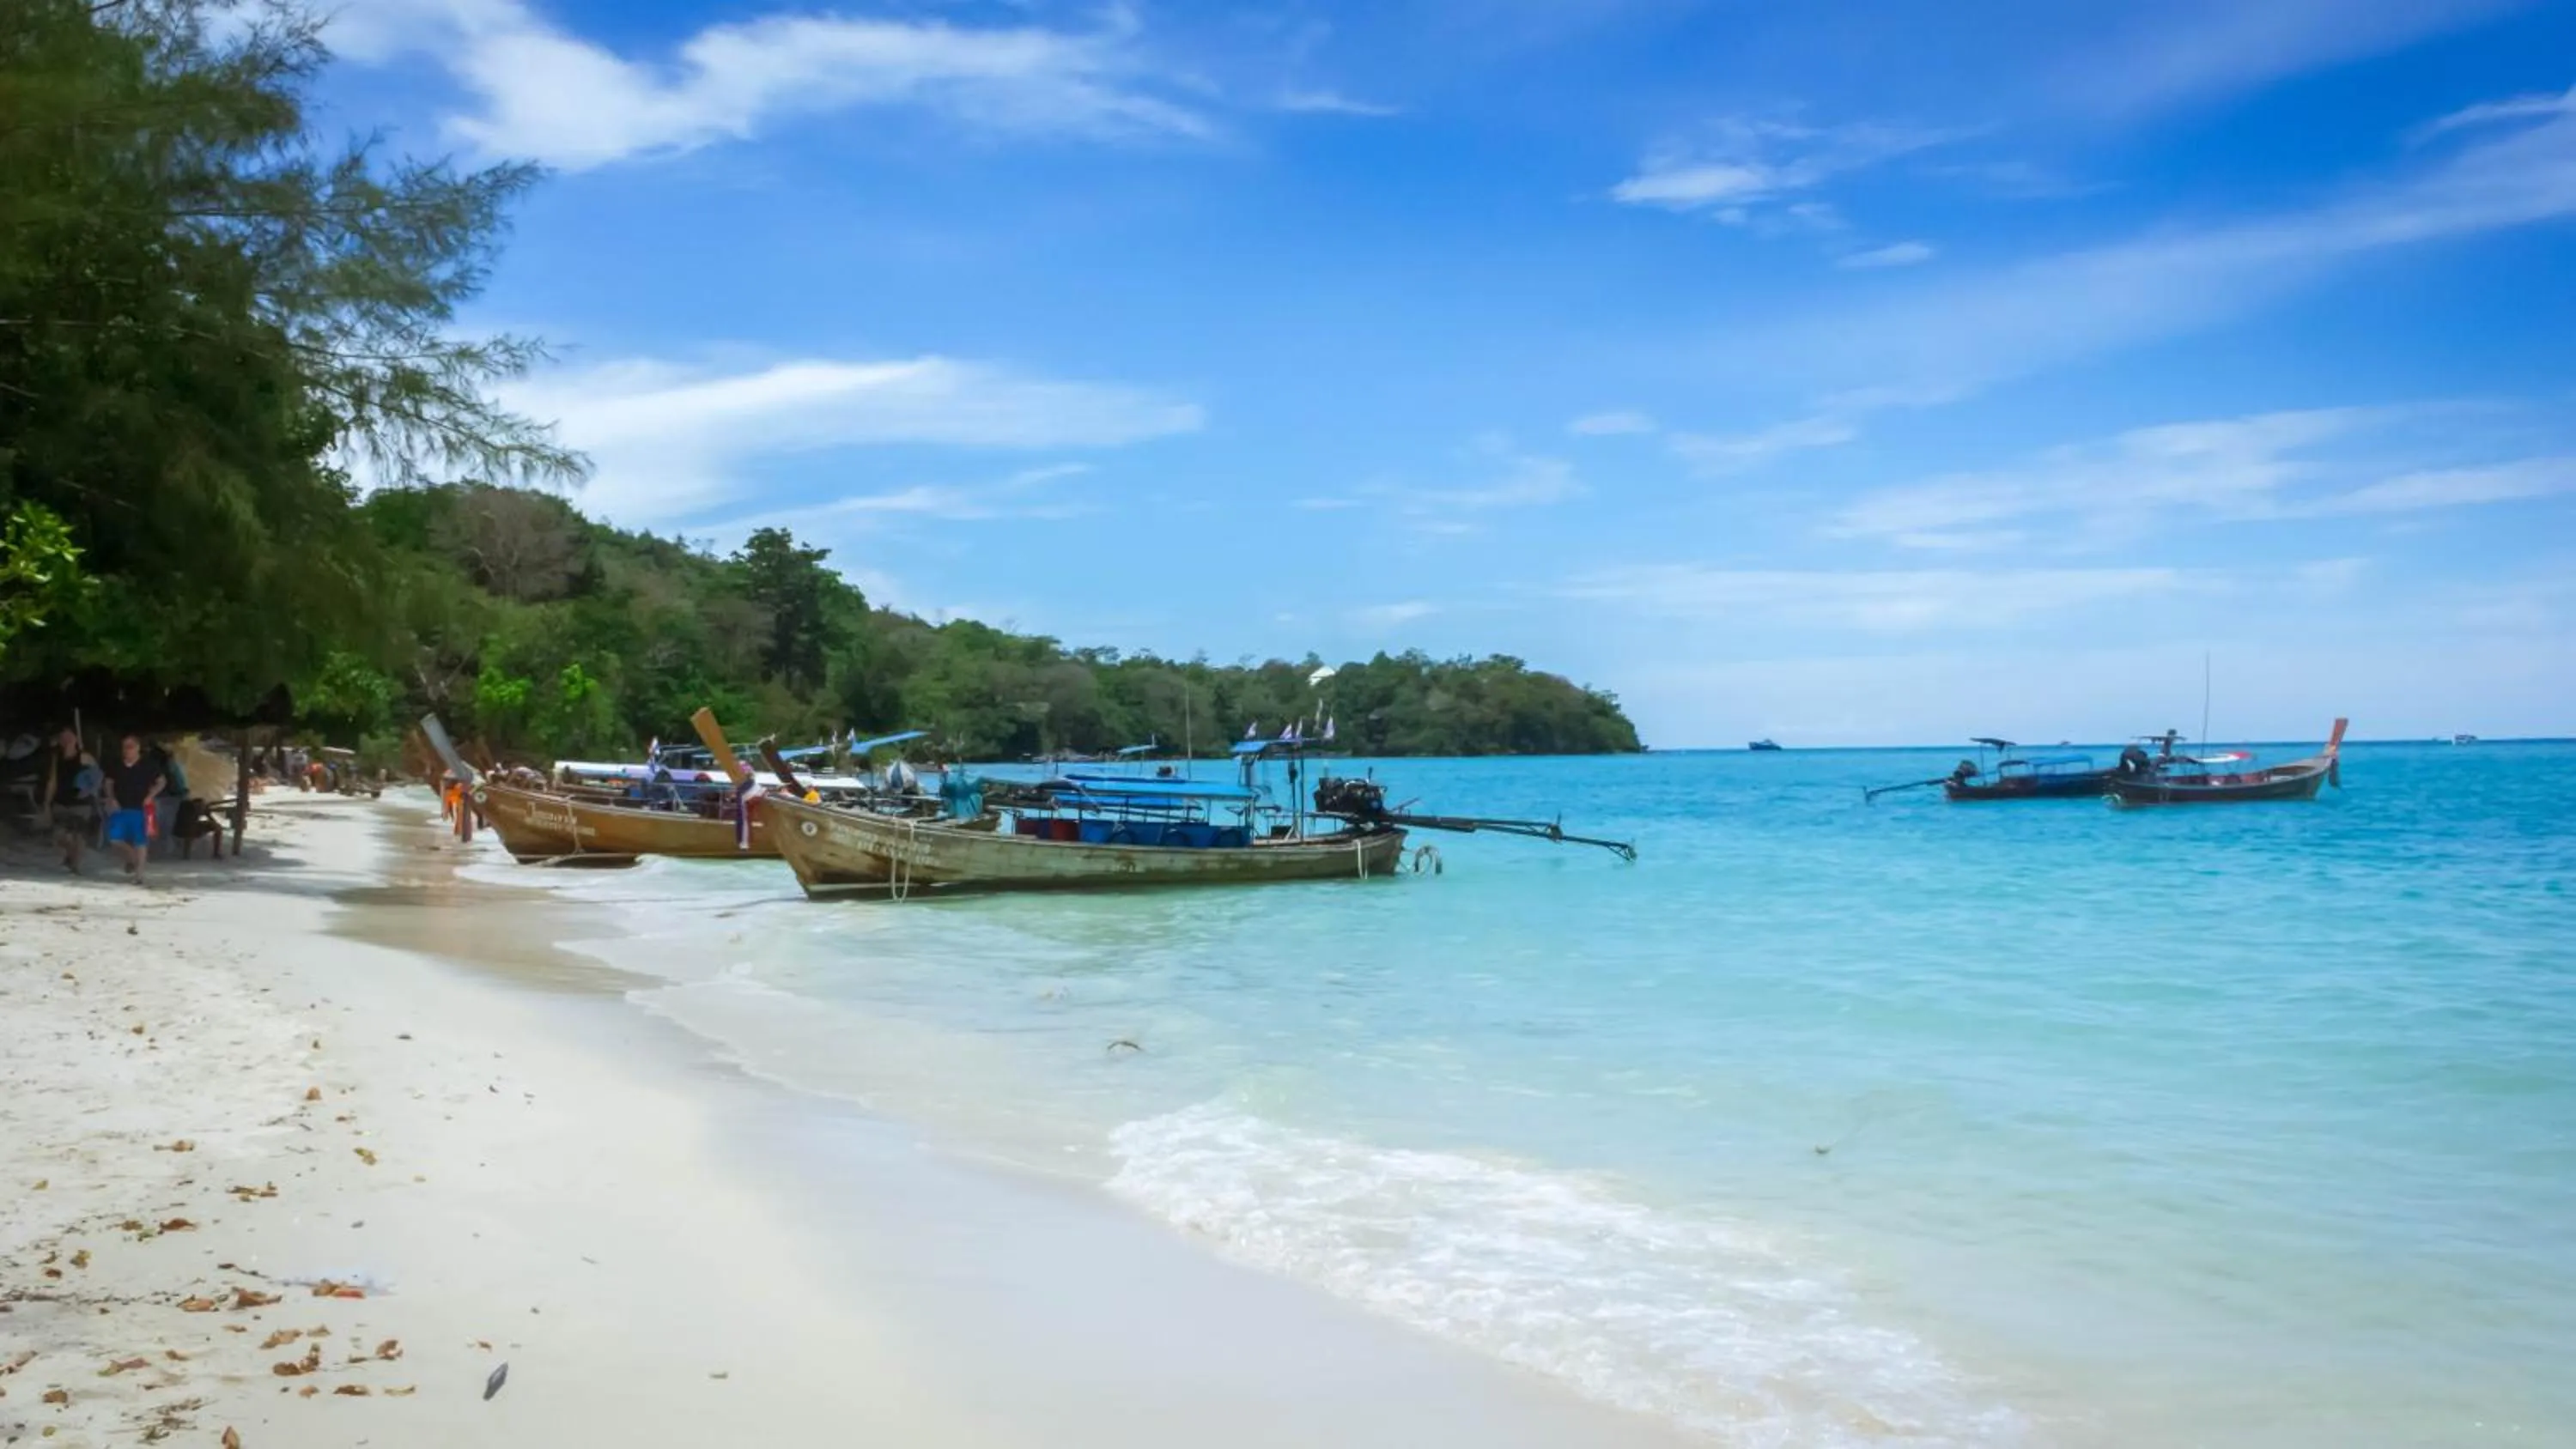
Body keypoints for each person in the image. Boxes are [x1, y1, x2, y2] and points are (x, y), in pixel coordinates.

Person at [101, 733, 165, 882]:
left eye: (130, 747)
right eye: (124, 747)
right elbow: (108, 782)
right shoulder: (116, 764)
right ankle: (132, 858)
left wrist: (151, 795)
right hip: (120, 807)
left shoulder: (148, 764)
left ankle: (139, 875)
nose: (127, 750)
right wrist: (111, 798)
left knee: (140, 841)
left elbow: (161, 781)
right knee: (114, 839)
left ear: (138, 748)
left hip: (140, 807)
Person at [42, 726, 96, 874]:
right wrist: (47, 802)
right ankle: (70, 856)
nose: (67, 741)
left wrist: (88, 789)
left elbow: (96, 777)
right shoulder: (57, 758)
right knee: (59, 835)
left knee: (78, 835)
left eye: (70, 737)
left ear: (76, 740)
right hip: (61, 801)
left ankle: (75, 866)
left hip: (81, 802)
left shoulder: (85, 757)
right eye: (64, 738)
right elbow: (52, 781)